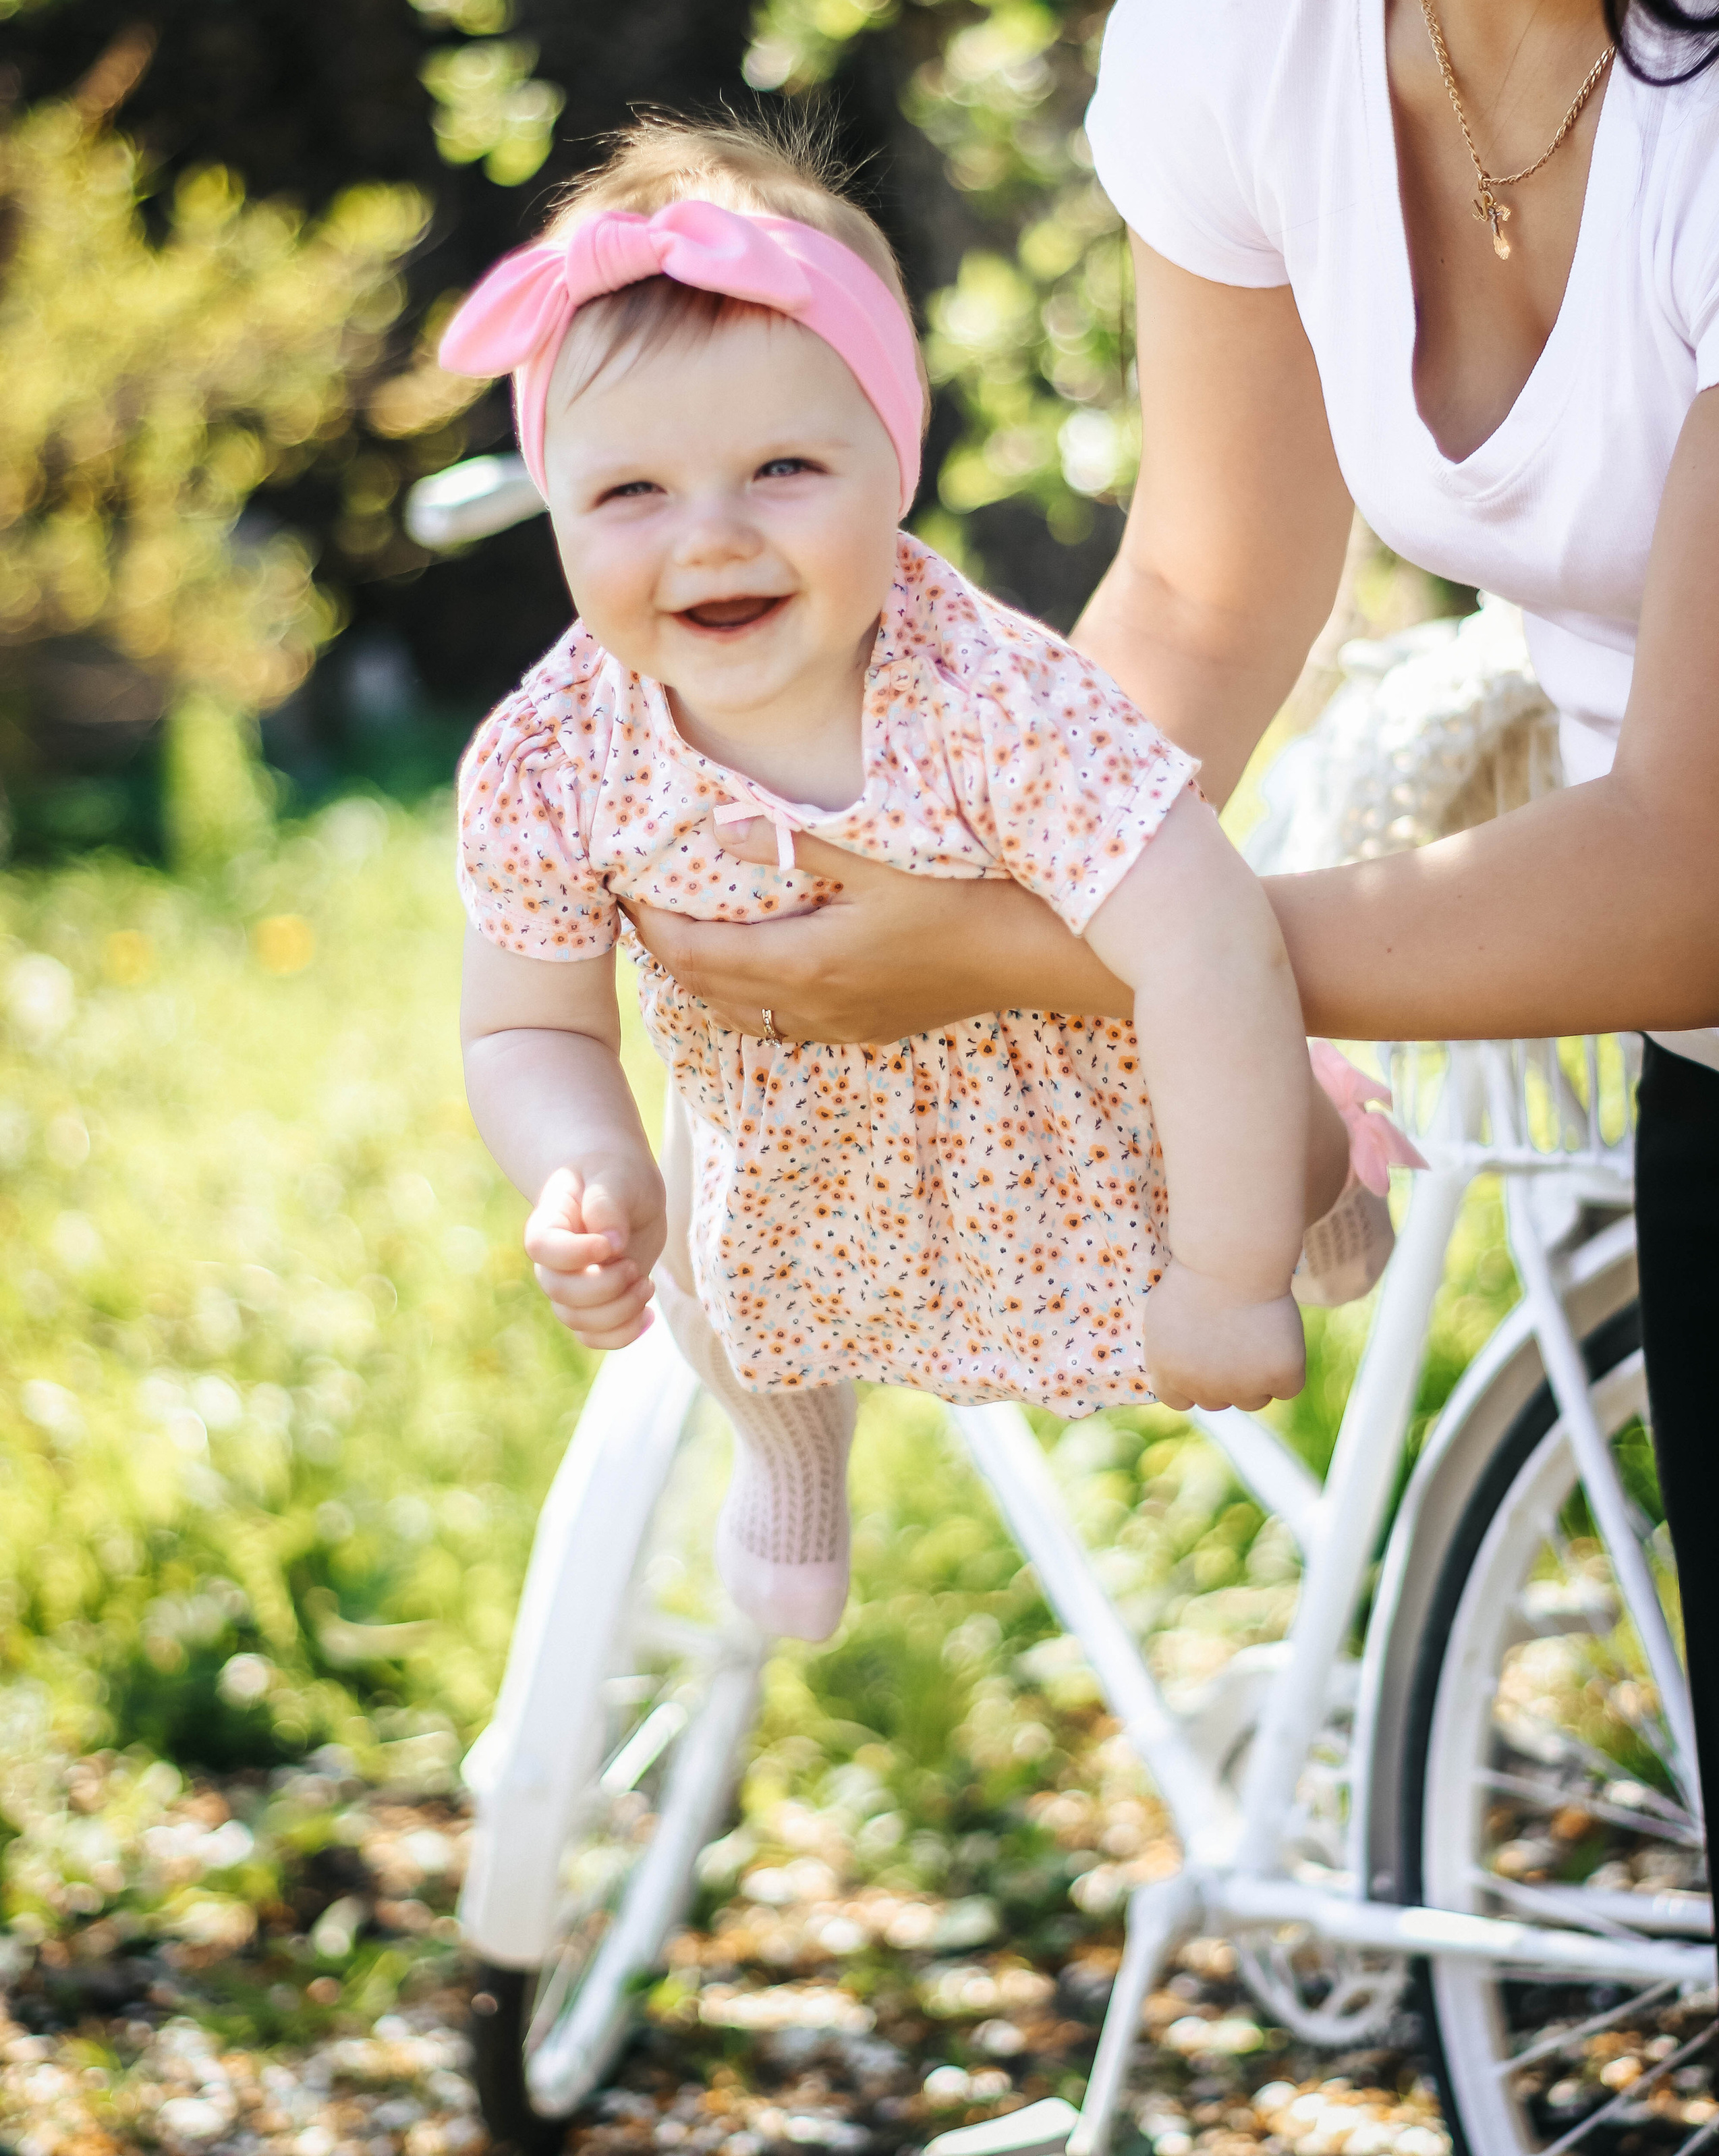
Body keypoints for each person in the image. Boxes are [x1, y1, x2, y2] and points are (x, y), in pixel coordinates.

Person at [622, 0, 1719, 1972]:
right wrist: (871, 887)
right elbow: (1213, 602)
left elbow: (1704, 866)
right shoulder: (1248, 23)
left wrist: (1100, 967)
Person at [444, 117, 1418, 1644]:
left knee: (1254, 1145)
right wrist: (584, 1163)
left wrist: (1227, 1276)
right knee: (721, 1275)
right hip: (786, 1136)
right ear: (554, 503)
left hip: (1074, 1087)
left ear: (888, 467)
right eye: (630, 493)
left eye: (780, 468)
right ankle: (791, 1462)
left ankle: (1313, 1183)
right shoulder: (551, 757)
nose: (710, 538)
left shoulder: (989, 698)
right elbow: (530, 1026)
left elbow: (1209, 941)